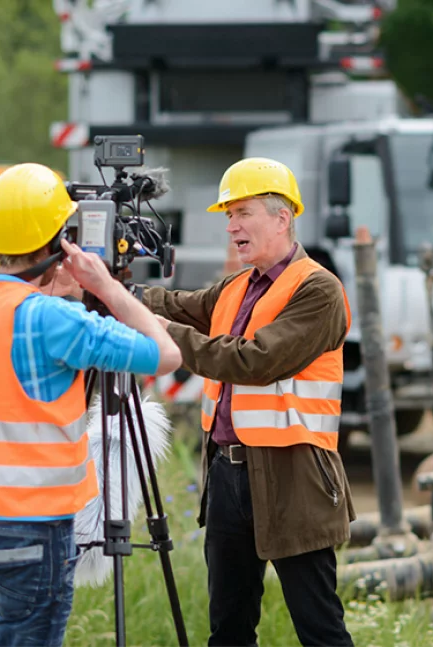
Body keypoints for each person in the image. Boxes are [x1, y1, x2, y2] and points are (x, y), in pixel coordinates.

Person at [0, 162, 182, 647]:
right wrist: (106, 287)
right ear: (58, 244)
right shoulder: (52, 320)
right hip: (35, 535)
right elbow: (166, 354)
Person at [141, 157, 357, 646]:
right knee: (229, 630)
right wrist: (117, 292)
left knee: (320, 629)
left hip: (294, 477)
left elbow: (253, 361)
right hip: (226, 475)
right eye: (228, 215)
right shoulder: (237, 287)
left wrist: (162, 330)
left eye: (242, 213)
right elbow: (177, 306)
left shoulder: (318, 290)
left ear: (282, 218)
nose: (231, 226)